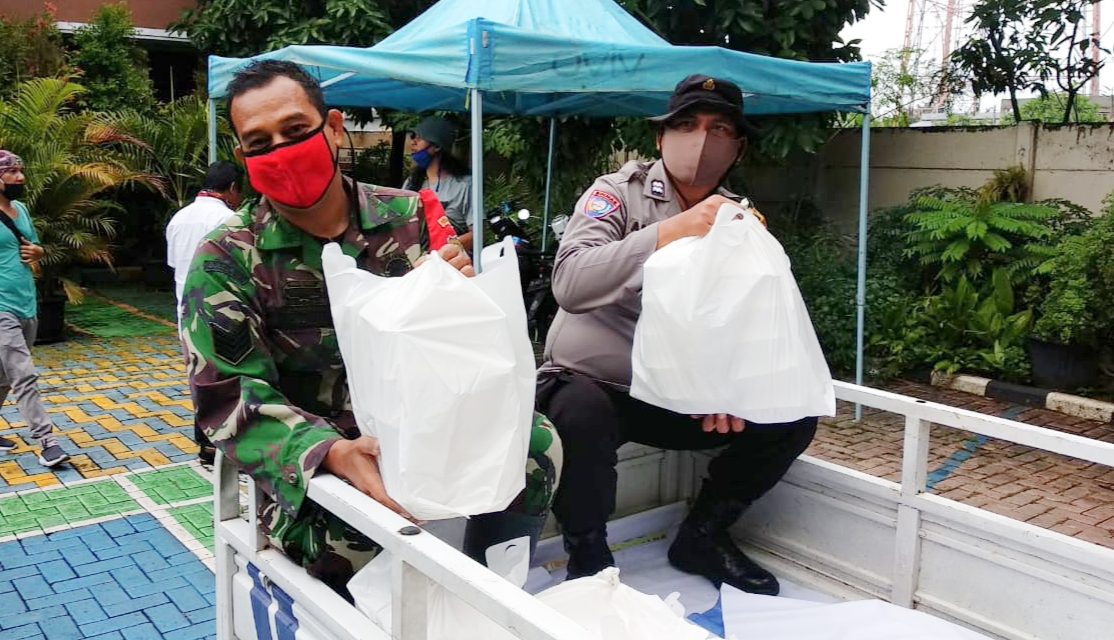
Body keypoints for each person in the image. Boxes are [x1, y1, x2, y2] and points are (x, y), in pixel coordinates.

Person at [180, 60, 560, 599]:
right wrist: (330, 451)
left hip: (424, 433)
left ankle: (490, 595)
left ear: (333, 127)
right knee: (361, 528)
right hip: (322, 469)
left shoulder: (408, 217)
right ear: (243, 157)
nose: (281, 153)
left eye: (295, 131)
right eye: (259, 143)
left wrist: (462, 297)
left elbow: (459, 351)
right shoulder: (227, 257)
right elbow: (227, 398)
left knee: (537, 444)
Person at [536, 75, 818, 595]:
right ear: (661, 138)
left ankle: (703, 534)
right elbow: (571, 283)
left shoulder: (740, 219)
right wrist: (674, 230)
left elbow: (749, 320)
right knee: (578, 408)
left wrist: (731, 388)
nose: (701, 139)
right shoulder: (616, 194)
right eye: (686, 125)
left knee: (791, 417)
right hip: (602, 384)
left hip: (680, 396)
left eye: (720, 128)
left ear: (738, 147)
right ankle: (589, 558)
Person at [166, 161, 242, 465]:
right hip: (223, 310)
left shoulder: (178, 219)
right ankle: (229, 447)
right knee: (229, 378)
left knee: (199, 378)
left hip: (186, 311)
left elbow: (175, 267)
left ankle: (206, 446)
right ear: (233, 188)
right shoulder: (230, 219)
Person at [0, 151, 70, 468]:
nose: (20, 178)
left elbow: (33, 245)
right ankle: (47, 442)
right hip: (1, 308)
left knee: (4, 376)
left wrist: (39, 251)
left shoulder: (22, 209)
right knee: (24, 375)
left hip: (26, 301)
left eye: (20, 171)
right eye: (12, 172)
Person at [402, 116, 474, 249]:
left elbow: (476, 236)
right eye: (413, 136)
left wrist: (441, 249)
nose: (413, 142)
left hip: (450, 261)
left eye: (420, 138)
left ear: (437, 146)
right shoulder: (411, 183)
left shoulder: (465, 185)